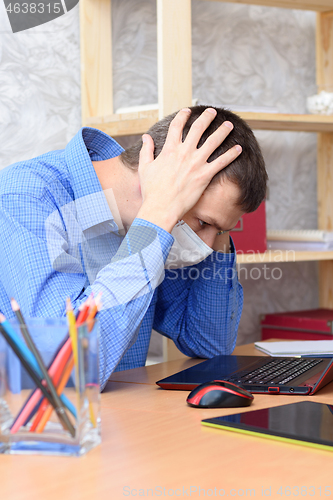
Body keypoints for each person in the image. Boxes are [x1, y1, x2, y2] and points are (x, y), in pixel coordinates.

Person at [0, 106, 267, 388]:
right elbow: (69, 369)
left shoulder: (158, 227)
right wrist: (157, 212)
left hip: (123, 417)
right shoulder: (25, 198)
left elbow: (208, 344)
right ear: (153, 177)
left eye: (222, 229)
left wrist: (217, 230)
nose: (208, 244)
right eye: (203, 222)